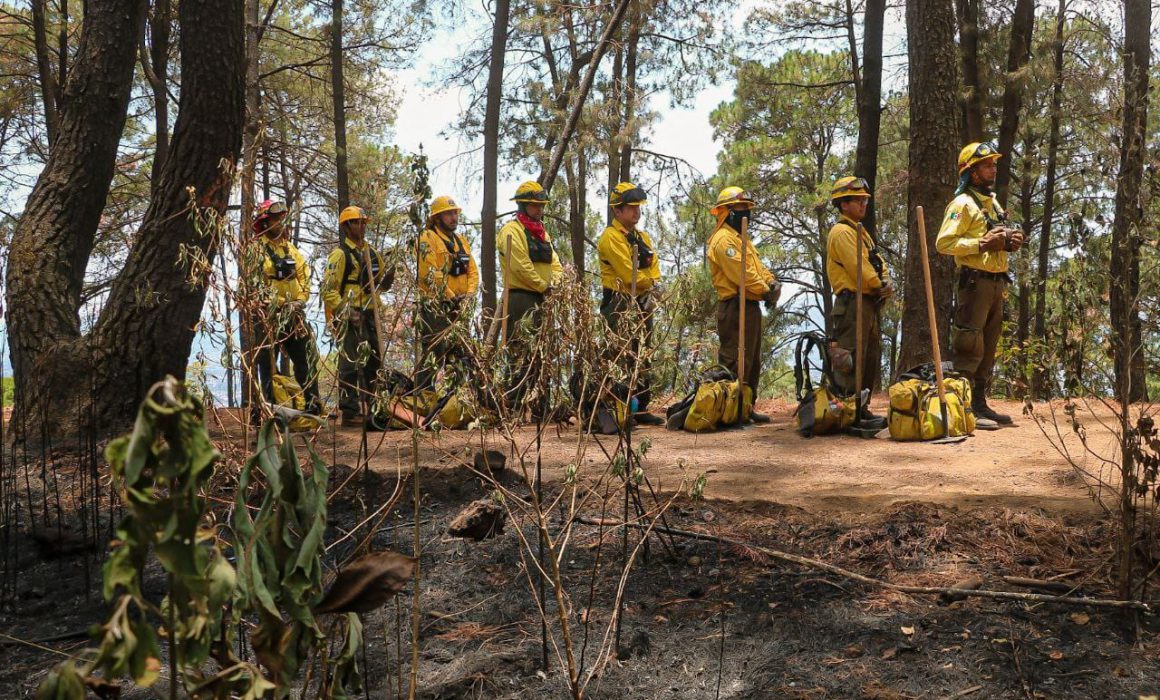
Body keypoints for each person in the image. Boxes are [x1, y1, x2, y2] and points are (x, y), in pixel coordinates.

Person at [936, 141, 1024, 424]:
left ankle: (979, 403)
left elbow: (994, 237)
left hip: (997, 282)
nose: (993, 169)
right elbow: (944, 243)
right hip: (975, 283)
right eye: (987, 165)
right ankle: (962, 408)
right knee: (969, 343)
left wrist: (1009, 241)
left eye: (994, 164)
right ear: (971, 172)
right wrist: (981, 244)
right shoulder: (961, 204)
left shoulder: (992, 202)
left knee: (988, 343)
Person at [705, 186, 781, 424]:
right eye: (741, 209)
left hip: (750, 306)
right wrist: (765, 290)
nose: (746, 214)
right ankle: (729, 409)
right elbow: (742, 274)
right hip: (734, 306)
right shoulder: (722, 240)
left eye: (748, 209)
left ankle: (746, 406)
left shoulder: (742, 239)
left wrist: (772, 283)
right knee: (734, 358)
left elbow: (759, 269)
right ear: (726, 211)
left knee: (751, 360)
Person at [597, 182, 664, 426]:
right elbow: (628, 276)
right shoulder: (610, 238)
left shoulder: (642, 237)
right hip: (619, 301)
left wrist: (651, 283)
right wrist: (650, 283)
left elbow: (654, 268)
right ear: (617, 211)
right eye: (631, 207)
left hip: (642, 300)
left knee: (644, 351)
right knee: (621, 353)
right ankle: (618, 407)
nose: (637, 212)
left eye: (638, 207)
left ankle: (640, 407)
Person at [825, 176, 892, 421]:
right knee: (849, 357)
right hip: (852, 303)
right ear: (844, 204)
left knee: (869, 357)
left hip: (868, 302)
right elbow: (860, 269)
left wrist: (885, 282)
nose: (864, 205)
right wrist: (878, 284)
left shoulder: (860, 232)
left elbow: (876, 262)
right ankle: (845, 410)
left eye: (865, 200)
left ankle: (861, 409)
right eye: (858, 201)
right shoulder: (842, 232)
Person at [250, 200, 323, 420]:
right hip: (268, 315)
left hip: (294, 314)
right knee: (266, 363)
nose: (281, 223)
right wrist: (281, 302)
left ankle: (312, 404)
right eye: (276, 219)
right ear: (265, 222)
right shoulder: (256, 249)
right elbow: (255, 286)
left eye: (282, 218)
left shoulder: (290, 249)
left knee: (306, 356)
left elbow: (304, 278)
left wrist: (299, 301)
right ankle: (269, 409)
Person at [322, 205, 395, 423]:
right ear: (346, 227)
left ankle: (372, 406)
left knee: (374, 361)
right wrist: (345, 311)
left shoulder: (371, 253)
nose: (361, 226)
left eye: (363, 222)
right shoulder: (340, 255)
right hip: (350, 314)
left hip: (371, 312)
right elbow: (328, 289)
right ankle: (350, 411)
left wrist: (390, 273)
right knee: (350, 364)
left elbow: (382, 284)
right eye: (356, 222)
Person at [497, 180, 564, 416]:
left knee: (542, 353)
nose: (539, 210)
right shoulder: (510, 231)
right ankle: (510, 404)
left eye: (541, 206)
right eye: (535, 206)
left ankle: (540, 407)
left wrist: (555, 283)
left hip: (544, 297)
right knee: (522, 351)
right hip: (521, 298)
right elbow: (520, 267)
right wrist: (543, 286)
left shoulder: (542, 233)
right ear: (523, 205)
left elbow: (555, 262)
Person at [414, 195, 478, 392]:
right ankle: (424, 397)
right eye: (448, 214)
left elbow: (473, 272)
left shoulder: (462, 241)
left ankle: (455, 400)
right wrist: (451, 297)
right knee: (434, 353)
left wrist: (468, 296)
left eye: (455, 213)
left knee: (459, 356)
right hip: (436, 307)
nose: (453, 218)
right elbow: (429, 274)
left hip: (460, 307)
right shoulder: (427, 238)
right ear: (437, 217)